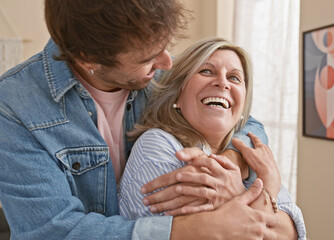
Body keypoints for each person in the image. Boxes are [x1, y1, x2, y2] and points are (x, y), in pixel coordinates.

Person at [0, 0, 304, 239]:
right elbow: (52, 231)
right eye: (148, 57)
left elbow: (247, 122)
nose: (166, 64)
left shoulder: (161, 80)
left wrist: (229, 161)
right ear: (87, 59)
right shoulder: (15, 105)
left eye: (165, 47)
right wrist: (194, 229)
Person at [118, 38, 306, 239]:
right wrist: (269, 187)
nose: (223, 83)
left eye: (234, 77)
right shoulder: (157, 146)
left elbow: (295, 233)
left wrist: (242, 196)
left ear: (243, 108)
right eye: (206, 71)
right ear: (177, 96)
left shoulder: (251, 155)